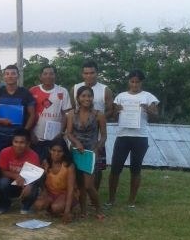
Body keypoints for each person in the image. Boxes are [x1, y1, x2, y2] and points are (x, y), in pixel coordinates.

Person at [108, 70, 159, 208]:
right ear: (128, 81)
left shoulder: (148, 97)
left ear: (141, 82)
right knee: (115, 168)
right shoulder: (120, 96)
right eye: (132, 81)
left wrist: (147, 109)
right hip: (122, 136)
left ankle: (131, 201)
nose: (134, 84)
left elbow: (155, 116)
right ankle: (111, 199)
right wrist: (116, 111)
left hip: (140, 137)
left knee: (135, 169)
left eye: (137, 82)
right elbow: (114, 117)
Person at [71, 60, 114, 191]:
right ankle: (79, 193)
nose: (89, 76)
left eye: (92, 73)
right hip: (78, 136)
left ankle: (94, 192)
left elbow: (111, 110)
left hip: (96, 136)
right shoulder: (75, 88)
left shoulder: (105, 90)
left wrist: (96, 120)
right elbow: (73, 111)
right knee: (77, 166)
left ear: (97, 73)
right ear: (82, 74)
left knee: (97, 167)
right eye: (86, 73)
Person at [65, 86, 106, 219]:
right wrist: (77, 143)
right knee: (80, 184)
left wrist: (97, 148)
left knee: (89, 185)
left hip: (90, 153)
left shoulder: (99, 114)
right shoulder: (72, 114)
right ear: (78, 98)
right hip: (76, 151)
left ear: (93, 98)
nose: (86, 98)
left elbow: (104, 136)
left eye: (89, 96)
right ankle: (83, 211)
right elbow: (69, 133)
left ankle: (98, 209)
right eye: (83, 96)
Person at [0, 64, 36, 163]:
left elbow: (32, 114)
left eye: (13, 73)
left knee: (20, 162)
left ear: (18, 76)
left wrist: (24, 132)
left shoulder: (25, 93)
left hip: (19, 137)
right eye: (7, 74)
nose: (10, 76)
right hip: (0, 134)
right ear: (3, 76)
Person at [29, 65, 71, 162]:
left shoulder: (62, 91)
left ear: (55, 76)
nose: (48, 76)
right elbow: (28, 114)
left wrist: (61, 132)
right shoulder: (33, 90)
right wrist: (31, 133)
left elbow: (66, 114)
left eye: (51, 74)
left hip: (55, 137)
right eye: (45, 74)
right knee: (37, 164)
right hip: (36, 137)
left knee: (53, 165)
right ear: (40, 76)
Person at [0, 129, 41, 215]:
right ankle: (4, 204)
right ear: (12, 142)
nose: (18, 145)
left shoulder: (34, 155)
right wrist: (18, 176)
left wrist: (29, 185)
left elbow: (35, 176)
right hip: (12, 182)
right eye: (16, 142)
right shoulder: (4, 152)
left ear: (28, 144)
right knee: (3, 182)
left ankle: (26, 206)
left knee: (33, 187)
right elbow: (3, 171)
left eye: (22, 142)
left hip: (27, 182)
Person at [33, 138, 78, 223]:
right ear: (49, 150)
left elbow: (71, 189)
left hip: (65, 194)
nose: (56, 154)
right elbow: (40, 181)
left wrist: (67, 211)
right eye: (53, 150)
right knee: (38, 205)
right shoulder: (46, 162)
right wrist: (44, 172)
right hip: (51, 193)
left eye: (59, 151)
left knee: (56, 207)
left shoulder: (69, 166)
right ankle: (54, 210)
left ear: (64, 152)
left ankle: (67, 209)